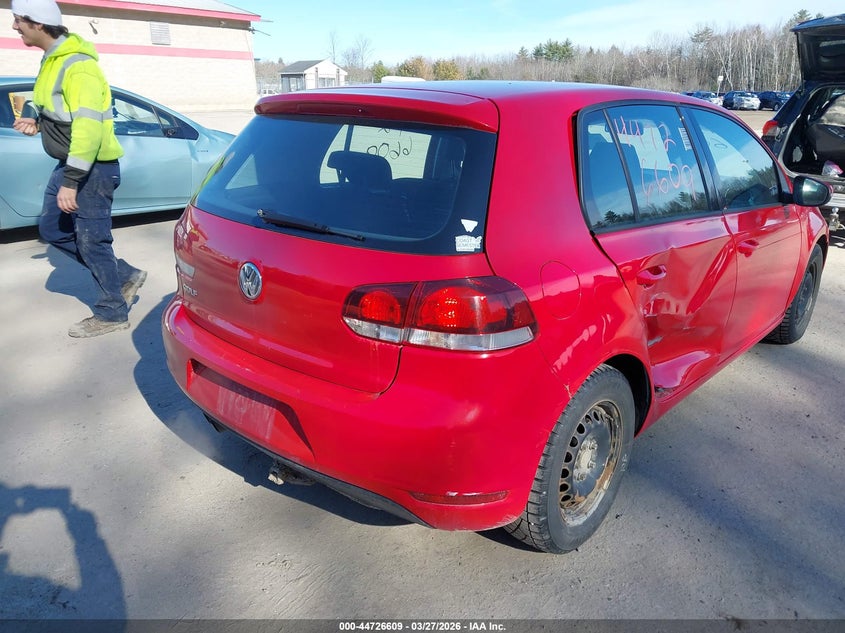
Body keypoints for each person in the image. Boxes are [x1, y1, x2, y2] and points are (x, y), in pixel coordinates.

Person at [11, 0, 146, 338]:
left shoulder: (79, 67)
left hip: (92, 169)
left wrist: (72, 181)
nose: (15, 27)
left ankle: (112, 313)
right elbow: (47, 101)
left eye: (18, 21)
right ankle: (124, 273)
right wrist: (34, 117)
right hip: (70, 163)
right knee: (53, 229)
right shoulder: (52, 60)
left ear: (37, 23)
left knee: (92, 241)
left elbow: (89, 128)